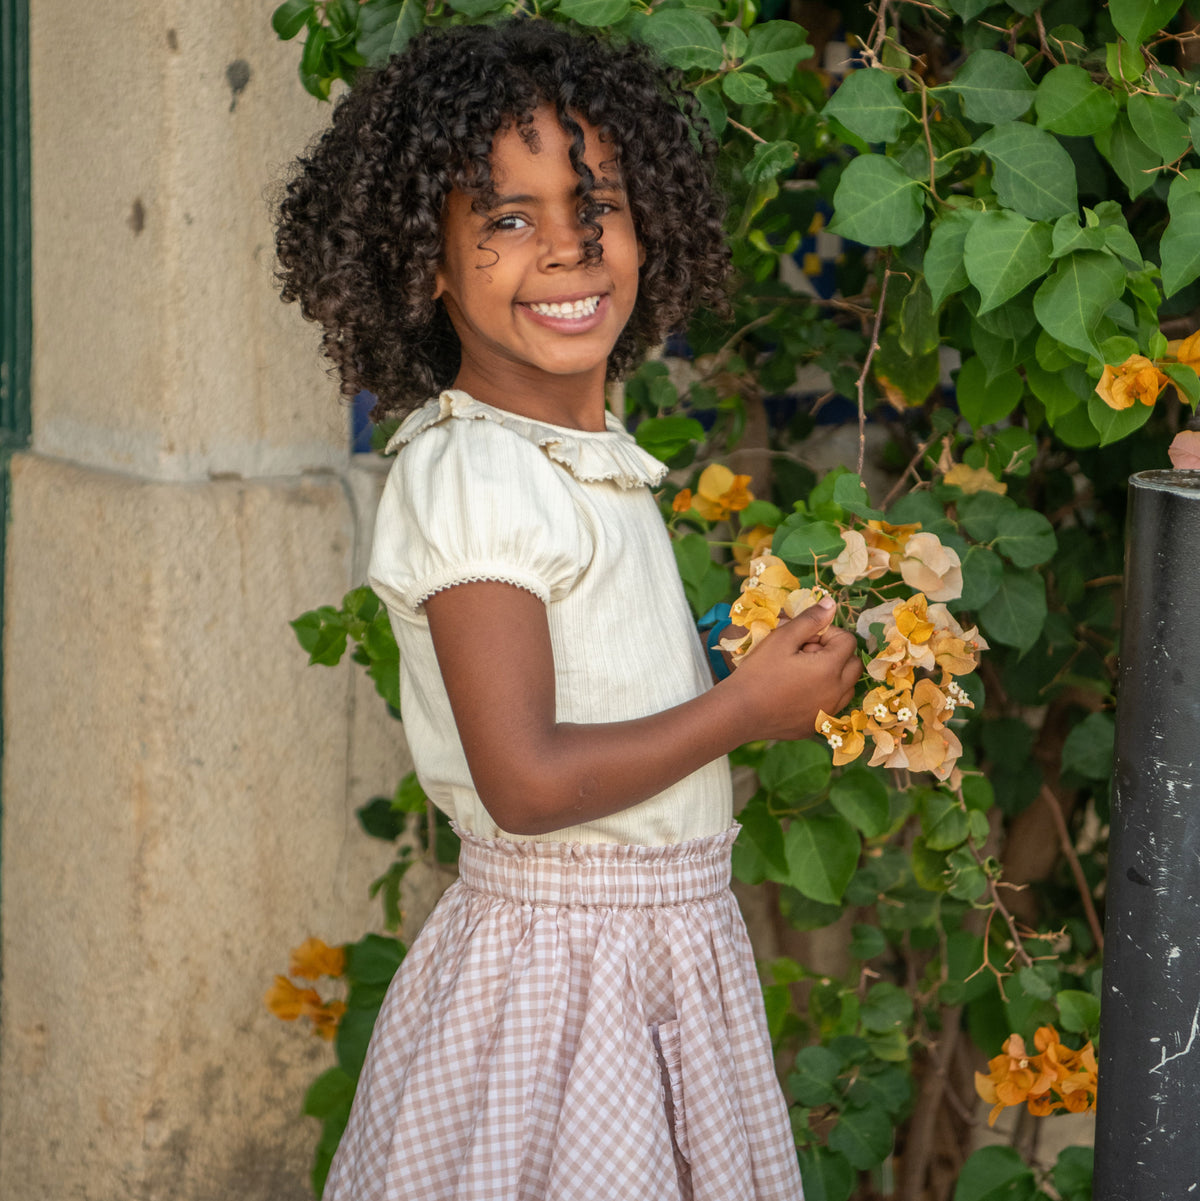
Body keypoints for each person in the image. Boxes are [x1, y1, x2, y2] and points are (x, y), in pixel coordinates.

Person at [275, 19, 860, 1200]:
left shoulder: (572, 458)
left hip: (646, 960)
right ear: (424, 264)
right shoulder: (478, 473)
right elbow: (530, 780)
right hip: (560, 988)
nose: (568, 249)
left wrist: (711, 664)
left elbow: (579, 681)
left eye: (597, 206)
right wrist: (745, 709)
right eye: (507, 218)